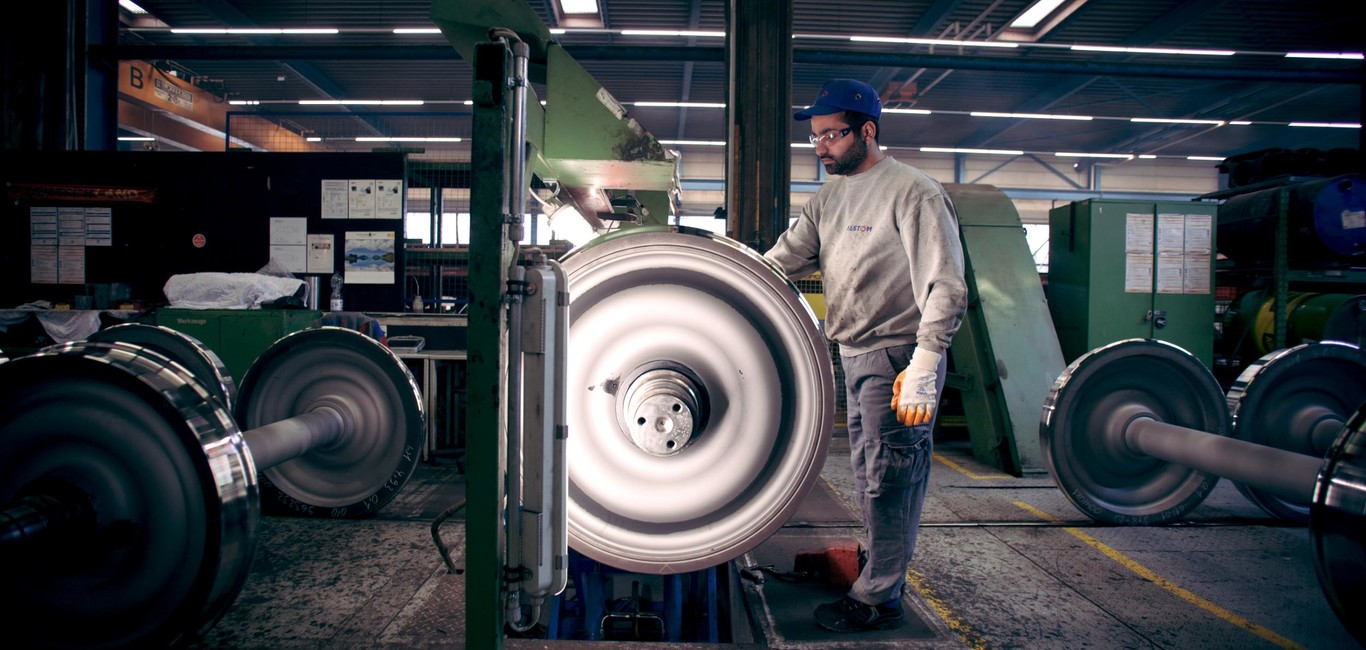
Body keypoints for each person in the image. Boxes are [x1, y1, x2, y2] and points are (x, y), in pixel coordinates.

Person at [764, 78, 968, 633]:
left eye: (831, 135)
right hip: (854, 352)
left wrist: (926, 362)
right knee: (869, 474)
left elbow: (945, 285)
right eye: (815, 138)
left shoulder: (913, 192)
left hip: (899, 357)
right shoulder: (829, 198)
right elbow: (782, 260)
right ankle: (881, 574)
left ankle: (880, 597)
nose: (822, 147)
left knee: (890, 477)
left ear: (868, 131)